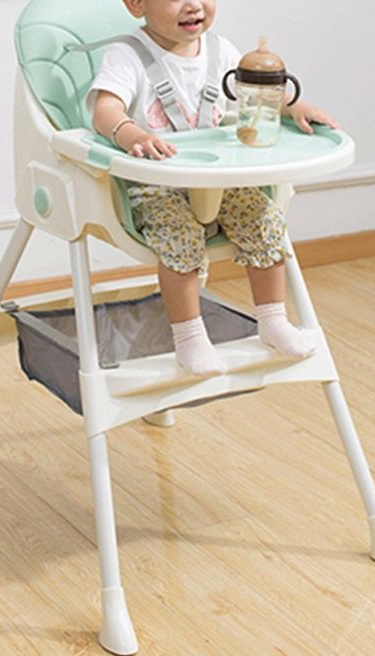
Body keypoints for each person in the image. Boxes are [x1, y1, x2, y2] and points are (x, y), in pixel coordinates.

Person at [90, 0, 339, 377]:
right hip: (157, 181)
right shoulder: (127, 55)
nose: (193, 5)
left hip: (217, 179)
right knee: (180, 235)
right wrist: (133, 134)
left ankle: (273, 320)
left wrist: (294, 107)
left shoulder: (221, 51)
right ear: (137, 3)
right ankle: (190, 338)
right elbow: (104, 110)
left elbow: (258, 92)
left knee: (265, 220)